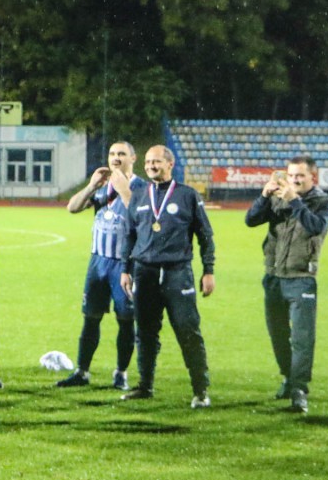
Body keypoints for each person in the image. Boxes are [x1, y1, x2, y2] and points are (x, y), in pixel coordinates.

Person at [119, 145, 215, 407]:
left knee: (187, 330)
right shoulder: (139, 195)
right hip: (144, 273)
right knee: (145, 332)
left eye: (157, 161)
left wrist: (208, 270)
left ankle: (201, 390)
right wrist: (125, 269)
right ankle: (145, 386)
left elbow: (205, 235)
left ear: (170, 164)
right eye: (148, 162)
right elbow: (129, 235)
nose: (151, 166)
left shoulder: (187, 195)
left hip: (177, 273)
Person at [244, 156, 328, 413]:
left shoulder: (325, 202)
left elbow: (315, 226)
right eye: (291, 175)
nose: (294, 180)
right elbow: (250, 220)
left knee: (302, 338)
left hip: (301, 278)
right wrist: (264, 196)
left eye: (300, 176)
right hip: (273, 276)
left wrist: (294, 201)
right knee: (277, 334)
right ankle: (288, 378)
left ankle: (299, 389)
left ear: (312, 177)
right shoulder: (277, 197)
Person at [55, 141, 145, 391]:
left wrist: (123, 189)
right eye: (112, 153)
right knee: (91, 318)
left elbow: (141, 217)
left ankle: (121, 373)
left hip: (125, 265)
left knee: (125, 319)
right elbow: (72, 207)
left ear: (133, 158)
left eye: (121, 154)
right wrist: (92, 186)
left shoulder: (142, 188)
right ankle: (82, 371)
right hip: (98, 262)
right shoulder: (102, 187)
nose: (115, 158)